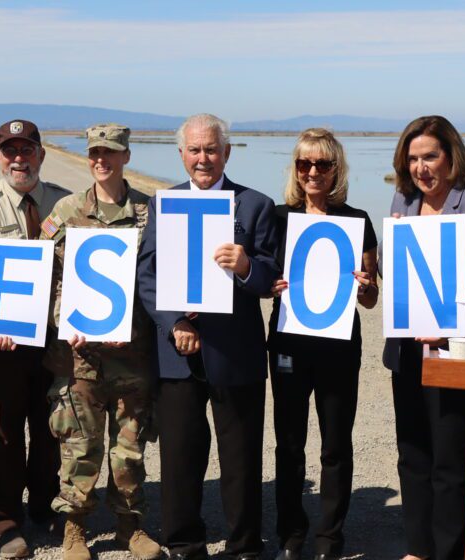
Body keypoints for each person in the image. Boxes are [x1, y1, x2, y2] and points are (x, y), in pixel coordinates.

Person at [136, 113, 279, 560]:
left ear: (227, 153)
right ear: (181, 155)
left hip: (235, 352)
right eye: (194, 150)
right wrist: (175, 322)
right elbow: (147, 274)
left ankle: (243, 546)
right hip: (177, 349)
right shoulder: (164, 203)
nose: (203, 159)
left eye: (211, 150)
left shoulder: (255, 205)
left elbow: (271, 277)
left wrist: (246, 267)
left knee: (240, 458)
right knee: (180, 457)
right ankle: (184, 543)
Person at [41, 124, 162, 560]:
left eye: (110, 152)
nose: (101, 159)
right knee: (80, 447)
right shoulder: (67, 211)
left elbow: (162, 279)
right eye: (94, 152)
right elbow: (46, 277)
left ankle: (130, 527)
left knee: (129, 450)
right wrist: (63, 318)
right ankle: (74, 528)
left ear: (126, 155)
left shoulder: (152, 213)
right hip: (80, 358)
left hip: (133, 356)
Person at [383, 116, 465, 560]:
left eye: (430, 156)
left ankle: (450, 550)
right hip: (408, 350)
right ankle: (419, 547)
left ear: (452, 157)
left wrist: (452, 319)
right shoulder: (403, 200)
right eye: (412, 159)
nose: (420, 167)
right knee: (412, 452)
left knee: (451, 459)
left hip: (460, 350)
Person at [0, 119, 72, 557]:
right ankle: (4, 518)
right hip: (1, 338)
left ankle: (43, 507)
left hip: (53, 334)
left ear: (41, 155)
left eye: (27, 150)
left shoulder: (64, 202)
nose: (18, 158)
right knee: (5, 428)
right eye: (10, 151)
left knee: (50, 426)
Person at [266, 129, 378, 560]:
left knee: (336, 444)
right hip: (290, 343)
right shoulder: (277, 218)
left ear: (336, 169)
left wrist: (366, 287)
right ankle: (291, 537)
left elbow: (369, 300)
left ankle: (330, 540)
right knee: (289, 442)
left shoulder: (358, 220)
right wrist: (268, 285)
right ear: (295, 169)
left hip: (338, 347)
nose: (313, 172)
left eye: (323, 164)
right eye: (304, 164)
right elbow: (259, 277)